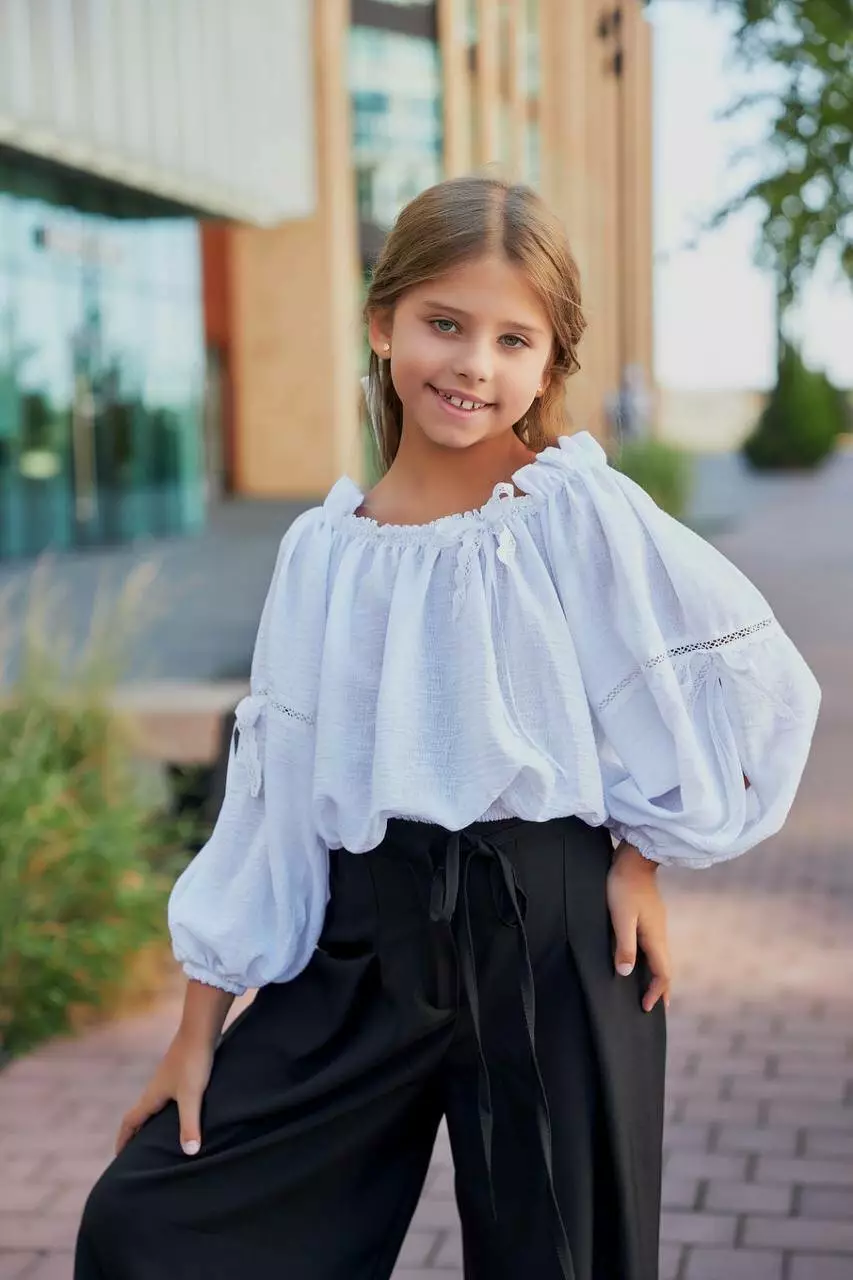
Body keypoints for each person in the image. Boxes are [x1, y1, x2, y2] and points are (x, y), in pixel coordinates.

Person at [74, 176, 820, 1280]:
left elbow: (750, 680)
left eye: (512, 339)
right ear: (382, 324)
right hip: (363, 945)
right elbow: (271, 802)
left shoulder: (571, 511)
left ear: (548, 367)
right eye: (444, 323)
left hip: (554, 936)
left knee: (564, 1258)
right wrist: (198, 1034)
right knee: (145, 1227)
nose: (474, 364)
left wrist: (642, 855)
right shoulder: (322, 556)